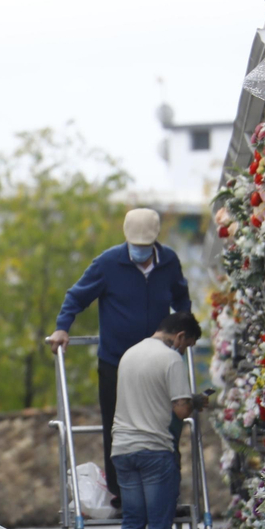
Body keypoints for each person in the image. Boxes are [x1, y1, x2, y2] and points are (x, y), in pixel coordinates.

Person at [47, 208, 192, 502]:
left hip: (158, 363)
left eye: (144, 246)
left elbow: (181, 297)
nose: (139, 251)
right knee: (116, 426)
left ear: (154, 241)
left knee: (166, 425)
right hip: (116, 361)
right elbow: (77, 296)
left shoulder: (169, 263)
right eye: (134, 245)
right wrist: (63, 328)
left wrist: (184, 330)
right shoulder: (107, 263)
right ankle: (121, 494)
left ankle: (166, 492)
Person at [111, 310, 205, 529]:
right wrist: (196, 401)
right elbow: (180, 410)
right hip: (154, 449)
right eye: (186, 344)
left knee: (132, 524)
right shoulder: (171, 359)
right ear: (179, 336)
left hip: (123, 449)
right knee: (160, 526)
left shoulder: (129, 354)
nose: (183, 350)